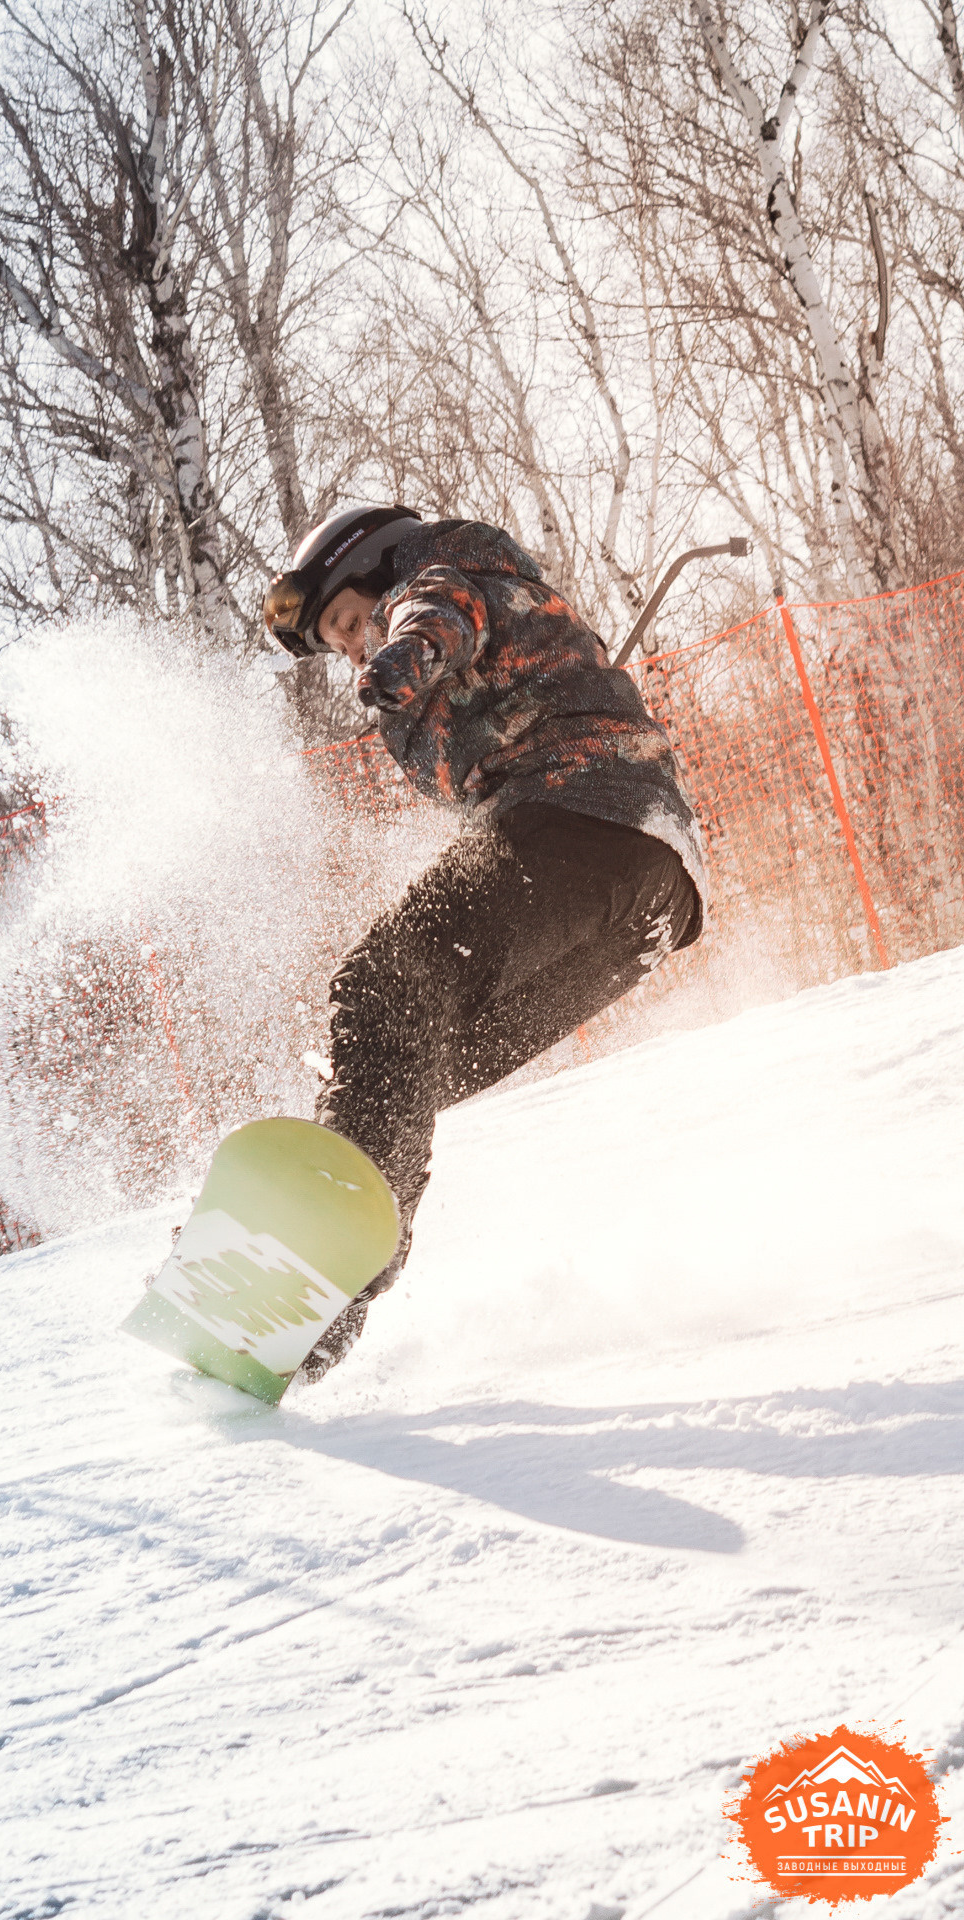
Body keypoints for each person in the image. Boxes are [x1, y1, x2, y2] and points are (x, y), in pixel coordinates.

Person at [263, 506, 706, 1382]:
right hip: (647, 896)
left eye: (351, 621)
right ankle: (330, 1270)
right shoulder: (455, 641)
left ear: (378, 573)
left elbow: (441, 612)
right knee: (423, 1058)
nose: (353, 645)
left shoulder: (442, 575)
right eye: (339, 642)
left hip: (586, 814)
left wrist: (400, 653)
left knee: (378, 983)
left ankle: (326, 1264)